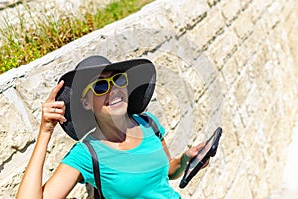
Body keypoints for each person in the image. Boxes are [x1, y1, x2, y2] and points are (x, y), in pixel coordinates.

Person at [16, 55, 209, 199]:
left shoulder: (148, 123)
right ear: (86, 103)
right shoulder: (87, 154)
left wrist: (185, 160)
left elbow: (167, 171)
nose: (114, 90)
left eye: (118, 80)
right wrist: (45, 132)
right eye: (101, 86)